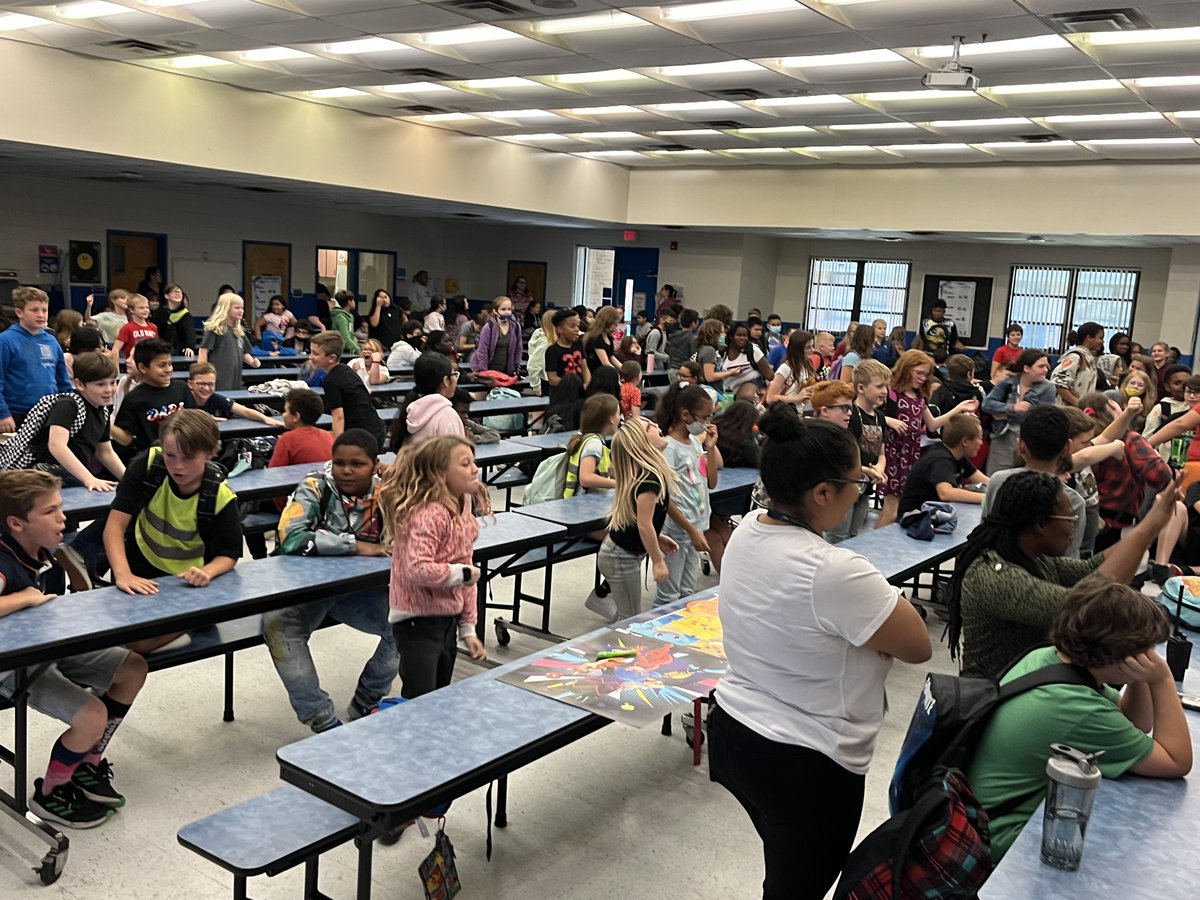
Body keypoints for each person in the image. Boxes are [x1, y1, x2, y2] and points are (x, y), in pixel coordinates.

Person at [710, 404, 932, 900]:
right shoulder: (835, 570)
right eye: (858, 481)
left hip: (736, 730)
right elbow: (917, 644)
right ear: (823, 493)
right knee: (799, 888)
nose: (864, 488)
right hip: (806, 759)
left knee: (784, 867)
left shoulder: (746, 529)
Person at [969, 580, 1192, 864]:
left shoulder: (1048, 659)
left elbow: (1134, 723)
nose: (1149, 657)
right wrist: (1161, 679)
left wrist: (1141, 677)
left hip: (976, 819)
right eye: (1144, 650)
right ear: (1121, 654)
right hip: (1001, 845)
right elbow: (1176, 761)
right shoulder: (1077, 707)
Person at [0, 470, 147, 827]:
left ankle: (87, 761)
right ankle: (52, 793)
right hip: (14, 664)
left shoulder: (41, 551)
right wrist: (22, 597)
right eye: (50, 511)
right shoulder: (4, 563)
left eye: (60, 507)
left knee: (133, 668)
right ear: (16, 523)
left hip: (49, 644)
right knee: (92, 715)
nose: (62, 516)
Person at [945, 469, 1177, 680]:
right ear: (1040, 525)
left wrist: (1149, 529)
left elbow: (1094, 569)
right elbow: (1088, 606)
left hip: (1029, 692)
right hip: (993, 706)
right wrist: (1147, 528)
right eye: (1070, 520)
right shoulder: (993, 576)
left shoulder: (1037, 559)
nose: (1074, 528)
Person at [267, 429, 394, 733]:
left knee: (406, 622)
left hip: (355, 590)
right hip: (302, 589)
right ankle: (323, 722)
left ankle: (368, 698)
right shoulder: (314, 487)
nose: (346, 470)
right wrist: (356, 546)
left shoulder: (386, 491)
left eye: (357, 464)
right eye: (339, 463)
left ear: (375, 464)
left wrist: (400, 483)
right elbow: (291, 538)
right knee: (280, 629)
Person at [103, 410, 243, 652]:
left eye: (188, 458)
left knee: (139, 645)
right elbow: (114, 526)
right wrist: (123, 573)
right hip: (140, 570)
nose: (177, 466)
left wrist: (207, 571)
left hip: (184, 583)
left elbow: (229, 554)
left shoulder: (220, 495)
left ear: (211, 453)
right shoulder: (148, 466)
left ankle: (195, 620)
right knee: (116, 637)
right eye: (170, 455)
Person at [379, 435, 489, 697]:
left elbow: (467, 573)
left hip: (446, 619)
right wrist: (460, 574)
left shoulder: (463, 508)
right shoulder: (429, 513)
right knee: (420, 699)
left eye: (473, 461)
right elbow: (416, 568)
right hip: (417, 622)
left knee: (438, 696)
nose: (474, 468)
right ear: (441, 474)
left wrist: (468, 628)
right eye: (465, 463)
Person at [878, 350, 978, 528]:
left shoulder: (920, 397)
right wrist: (889, 420)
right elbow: (868, 412)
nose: (923, 378)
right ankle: (874, 550)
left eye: (926, 374)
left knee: (900, 510)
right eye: (919, 373)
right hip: (893, 455)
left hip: (910, 456)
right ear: (906, 369)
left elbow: (932, 425)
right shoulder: (890, 392)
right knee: (892, 510)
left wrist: (958, 409)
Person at [0, 351, 124, 488]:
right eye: (100, 384)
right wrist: (89, 478)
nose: (109, 389)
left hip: (73, 473)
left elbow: (105, 452)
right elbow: (57, 446)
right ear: (80, 384)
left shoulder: (103, 410)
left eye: (113, 383)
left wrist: (130, 480)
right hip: (43, 472)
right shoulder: (69, 405)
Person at [654, 383, 719, 607]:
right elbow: (664, 498)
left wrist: (710, 447)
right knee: (668, 596)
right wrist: (690, 529)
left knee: (688, 593)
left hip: (696, 526)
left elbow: (710, 482)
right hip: (677, 531)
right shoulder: (668, 448)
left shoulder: (694, 442)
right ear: (685, 415)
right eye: (704, 417)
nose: (708, 422)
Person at [826, 360, 890, 543]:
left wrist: (879, 468)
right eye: (879, 386)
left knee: (854, 537)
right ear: (861, 388)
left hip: (865, 487)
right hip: (845, 485)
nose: (885, 391)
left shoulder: (880, 417)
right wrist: (868, 470)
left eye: (886, 386)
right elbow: (844, 458)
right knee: (838, 537)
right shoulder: (849, 415)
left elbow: (882, 452)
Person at [0, 287, 74, 433]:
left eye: (44, 310)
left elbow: (63, 381)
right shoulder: (5, 341)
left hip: (50, 413)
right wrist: (3, 413)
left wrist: (68, 408)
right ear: (19, 312)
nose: (41, 315)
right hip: (17, 414)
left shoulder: (51, 340)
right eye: (34, 310)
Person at [111, 339, 196, 457]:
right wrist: (107, 425)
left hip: (185, 453)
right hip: (153, 459)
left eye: (170, 364)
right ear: (143, 367)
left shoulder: (181, 388)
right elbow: (126, 439)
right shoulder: (134, 398)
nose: (168, 369)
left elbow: (194, 421)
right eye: (161, 365)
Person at [981, 348, 1056, 475]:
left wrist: (1003, 414)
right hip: (1002, 437)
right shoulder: (1008, 382)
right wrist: (1012, 408)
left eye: (1047, 366)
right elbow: (987, 404)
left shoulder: (1048, 388)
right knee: (996, 476)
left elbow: (1042, 417)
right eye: (1041, 366)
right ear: (1026, 368)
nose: (1046, 370)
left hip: (1029, 441)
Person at [897, 415, 988, 516]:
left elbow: (985, 481)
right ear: (965, 441)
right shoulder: (940, 459)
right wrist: (987, 497)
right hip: (913, 519)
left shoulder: (958, 456)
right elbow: (946, 493)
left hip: (932, 514)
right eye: (979, 438)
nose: (981, 443)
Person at [303, 332, 382, 447]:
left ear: (331, 358)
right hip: (375, 429)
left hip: (363, 437)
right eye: (310, 352)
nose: (310, 357)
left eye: (315, 353)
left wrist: (338, 448)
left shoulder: (331, 381)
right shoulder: (346, 369)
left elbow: (338, 417)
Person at [393, 352, 465, 450]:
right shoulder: (447, 416)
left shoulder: (411, 409)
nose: (456, 379)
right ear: (446, 381)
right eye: (454, 374)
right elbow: (456, 460)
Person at [185, 362, 279, 426]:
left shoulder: (215, 398)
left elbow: (245, 411)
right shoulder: (182, 398)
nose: (206, 388)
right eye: (201, 384)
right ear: (190, 384)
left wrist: (265, 419)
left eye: (211, 384)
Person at [199, 294, 260, 391]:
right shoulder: (215, 328)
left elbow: (244, 352)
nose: (241, 311)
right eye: (237, 308)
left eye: (242, 308)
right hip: (218, 376)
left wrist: (252, 362)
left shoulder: (239, 331)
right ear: (225, 308)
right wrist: (202, 373)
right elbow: (203, 351)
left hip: (235, 377)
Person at [563, 394, 619, 499]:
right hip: (583, 504)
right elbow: (586, 478)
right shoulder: (594, 443)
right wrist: (615, 484)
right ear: (611, 419)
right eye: (618, 414)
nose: (620, 418)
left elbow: (609, 470)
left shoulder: (593, 440)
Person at [1144, 365, 1193, 461]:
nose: (1183, 387)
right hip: (1167, 462)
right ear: (1167, 387)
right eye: (1177, 383)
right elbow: (1147, 437)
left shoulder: (1195, 408)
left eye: (1187, 383)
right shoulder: (1161, 409)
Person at [1050, 321, 1105, 406]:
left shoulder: (1087, 357)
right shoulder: (1075, 356)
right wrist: (1078, 404)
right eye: (1100, 338)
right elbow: (1058, 384)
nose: (1102, 341)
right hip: (1068, 412)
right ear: (1089, 338)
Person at [469, 296, 523, 376]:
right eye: (503, 309)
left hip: (507, 371)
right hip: (490, 370)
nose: (507, 312)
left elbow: (518, 348)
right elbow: (482, 351)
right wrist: (485, 372)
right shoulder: (488, 327)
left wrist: (516, 368)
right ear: (495, 311)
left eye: (509, 309)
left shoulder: (516, 326)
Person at [764, 329, 816, 407]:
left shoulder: (807, 365)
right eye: (808, 347)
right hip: (785, 412)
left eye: (812, 346)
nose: (813, 350)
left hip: (799, 411)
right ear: (798, 349)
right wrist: (797, 398)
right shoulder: (785, 368)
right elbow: (770, 398)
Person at [544, 308, 589, 392]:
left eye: (578, 326)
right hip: (562, 395)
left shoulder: (579, 344)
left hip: (580, 393)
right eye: (572, 326)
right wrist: (575, 385)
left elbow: (585, 367)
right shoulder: (552, 351)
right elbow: (552, 378)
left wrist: (586, 384)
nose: (576, 329)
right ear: (560, 329)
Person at [720, 322, 773, 391]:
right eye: (739, 335)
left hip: (751, 390)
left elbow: (770, 375)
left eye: (745, 335)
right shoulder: (723, 351)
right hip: (728, 393)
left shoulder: (753, 350)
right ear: (731, 336)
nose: (742, 338)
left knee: (746, 395)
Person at [151, 283, 195, 357]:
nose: (178, 294)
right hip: (160, 350)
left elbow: (190, 333)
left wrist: (189, 346)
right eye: (175, 292)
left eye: (180, 292)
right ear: (166, 296)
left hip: (180, 351)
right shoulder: (159, 313)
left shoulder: (186, 315)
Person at [581, 305, 621, 372]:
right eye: (614, 324)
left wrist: (625, 370)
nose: (616, 327)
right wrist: (618, 376)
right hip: (596, 374)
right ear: (607, 322)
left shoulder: (609, 337)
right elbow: (606, 363)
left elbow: (611, 357)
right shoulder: (596, 338)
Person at [1115, 367, 1156, 432]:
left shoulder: (1148, 407)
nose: (1135, 387)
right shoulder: (1113, 396)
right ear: (1126, 384)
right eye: (1132, 383)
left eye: (1140, 385)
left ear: (1145, 389)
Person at [836, 319, 876, 384]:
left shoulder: (862, 356)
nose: (875, 340)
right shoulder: (852, 357)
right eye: (873, 337)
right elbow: (844, 383)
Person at [666, 308, 699, 375]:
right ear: (693, 323)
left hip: (671, 369)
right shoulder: (693, 338)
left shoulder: (672, 336)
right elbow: (693, 356)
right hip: (685, 371)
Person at [327, 290, 360, 355]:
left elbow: (351, 334)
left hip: (349, 349)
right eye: (353, 300)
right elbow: (345, 338)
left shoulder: (350, 316)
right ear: (349, 302)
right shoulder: (340, 318)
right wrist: (358, 350)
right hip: (341, 351)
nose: (354, 302)